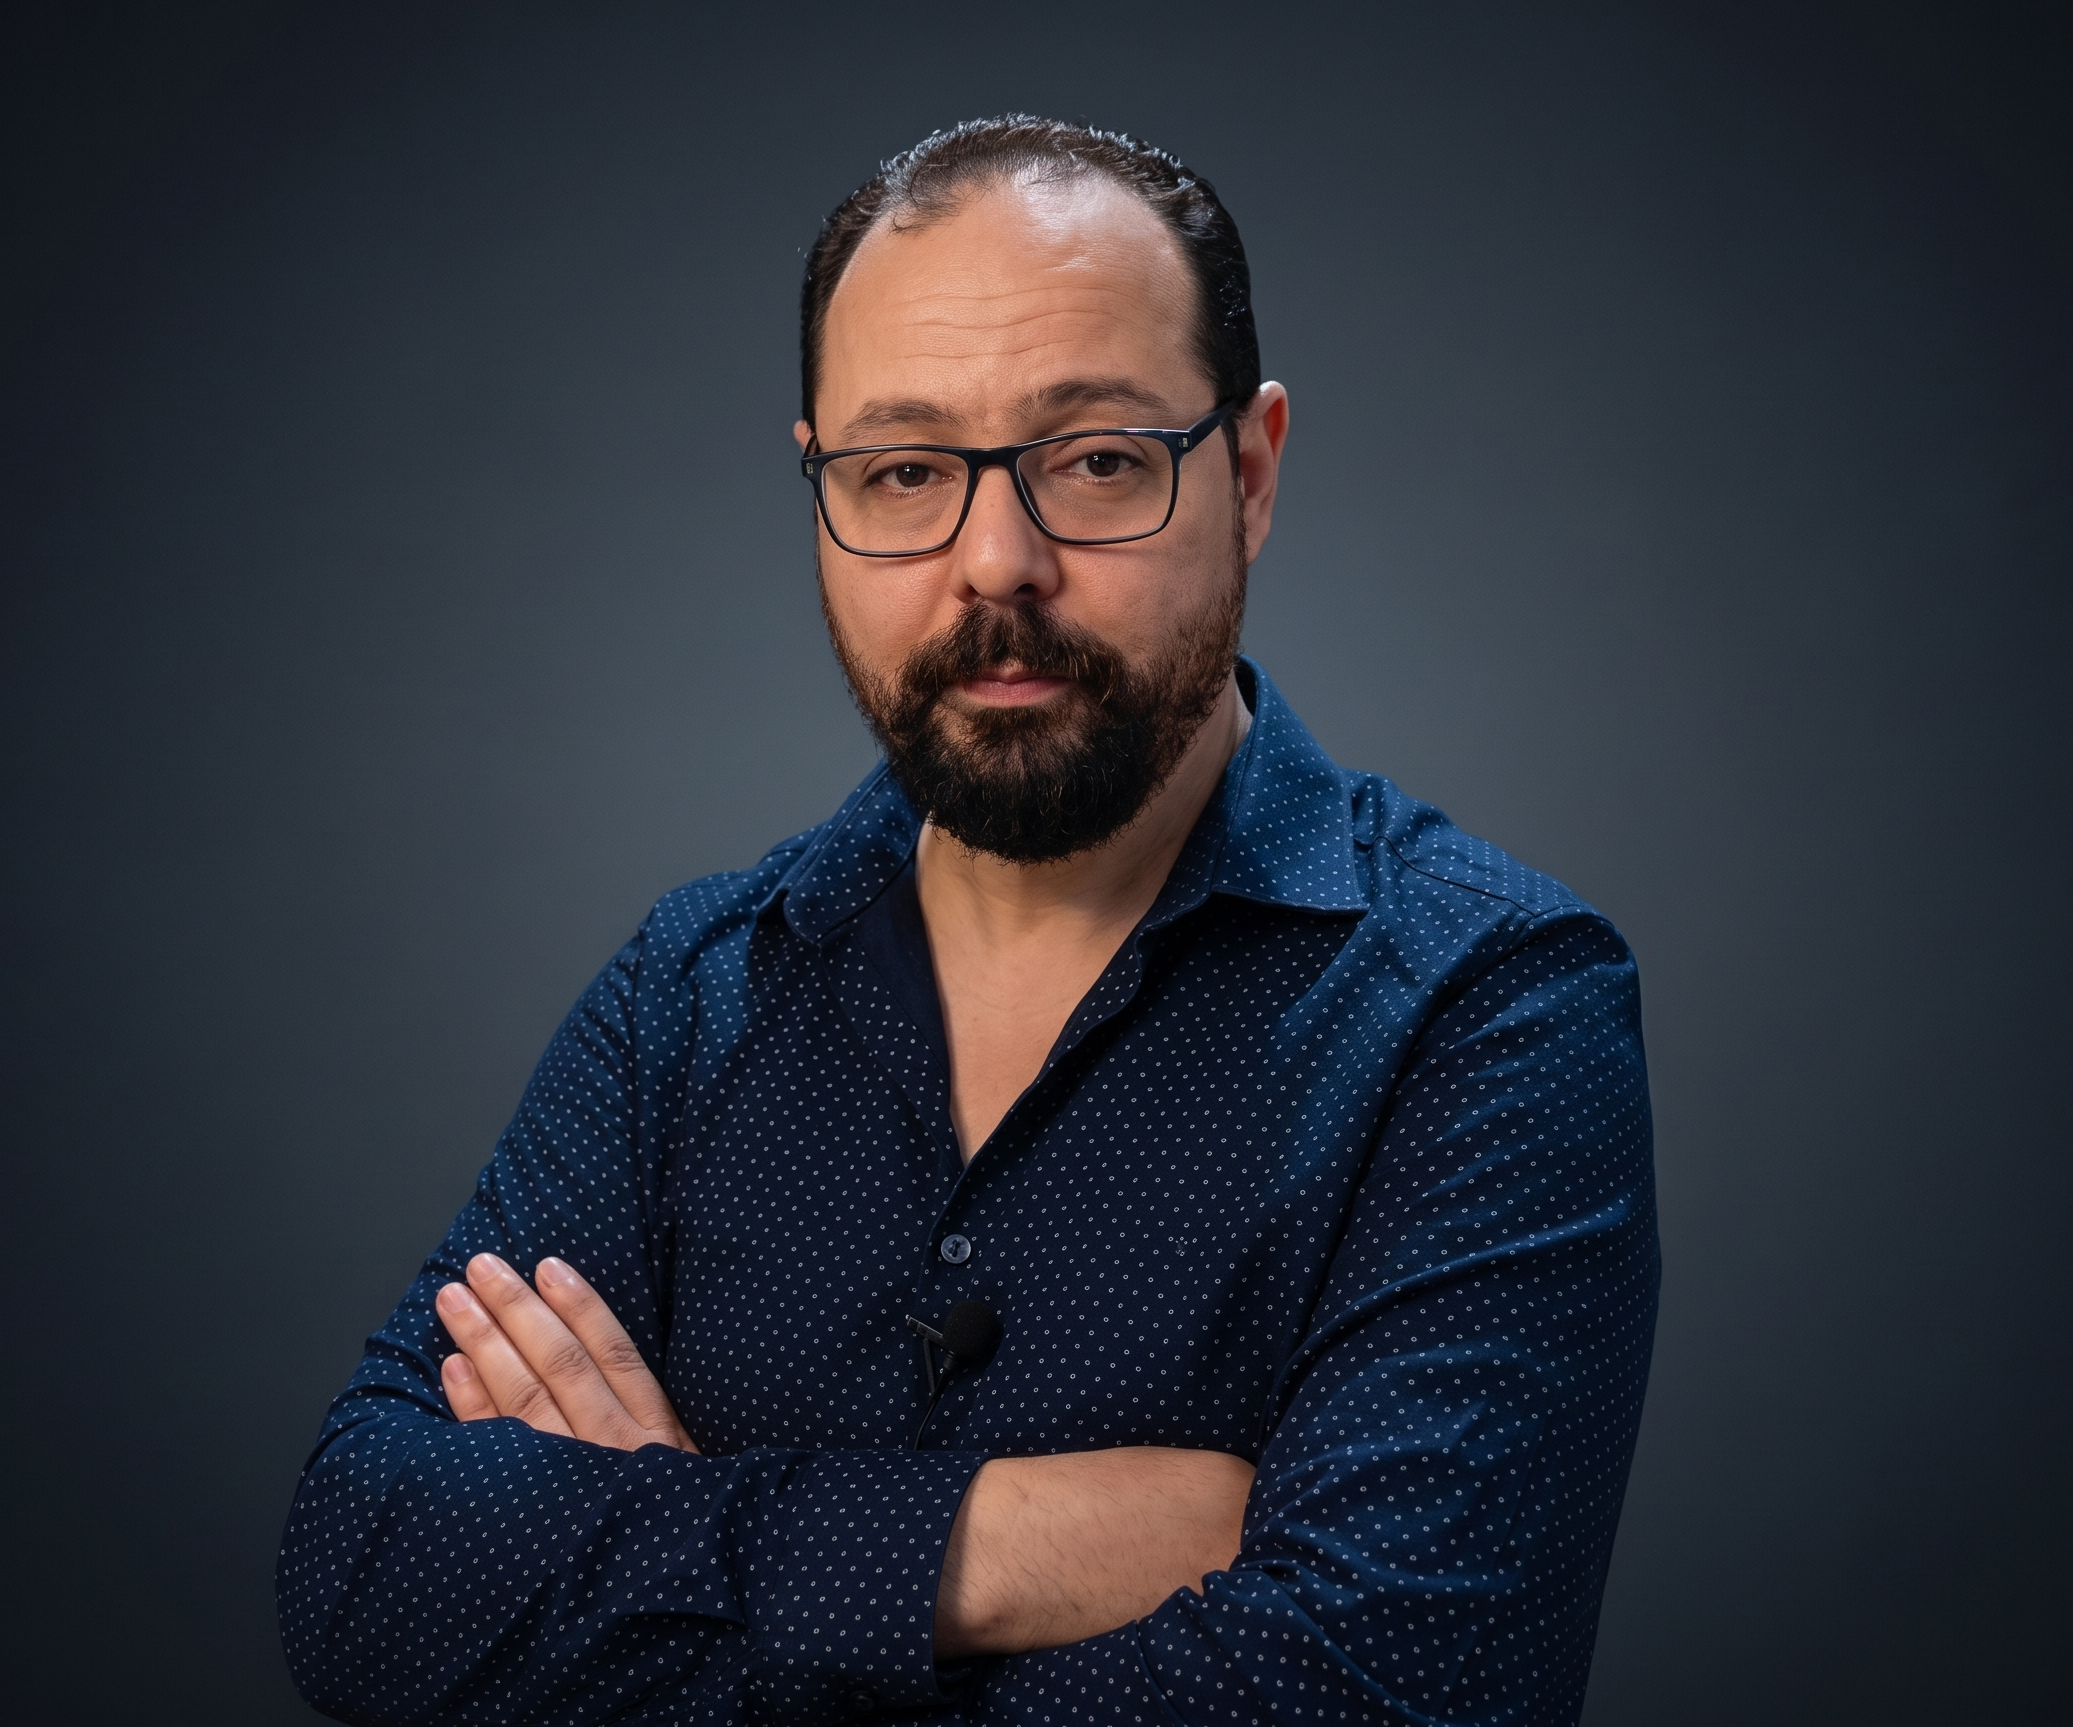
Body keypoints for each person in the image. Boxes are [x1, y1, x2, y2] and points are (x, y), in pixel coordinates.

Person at [278, 115, 1658, 1727]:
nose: (996, 564)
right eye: (905, 472)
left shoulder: (1493, 1004)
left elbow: (1378, 1695)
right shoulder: (688, 992)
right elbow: (362, 1570)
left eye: (1097, 459)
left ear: (1251, 472)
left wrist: (653, 1560)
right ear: (822, 488)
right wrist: (1000, 1543)